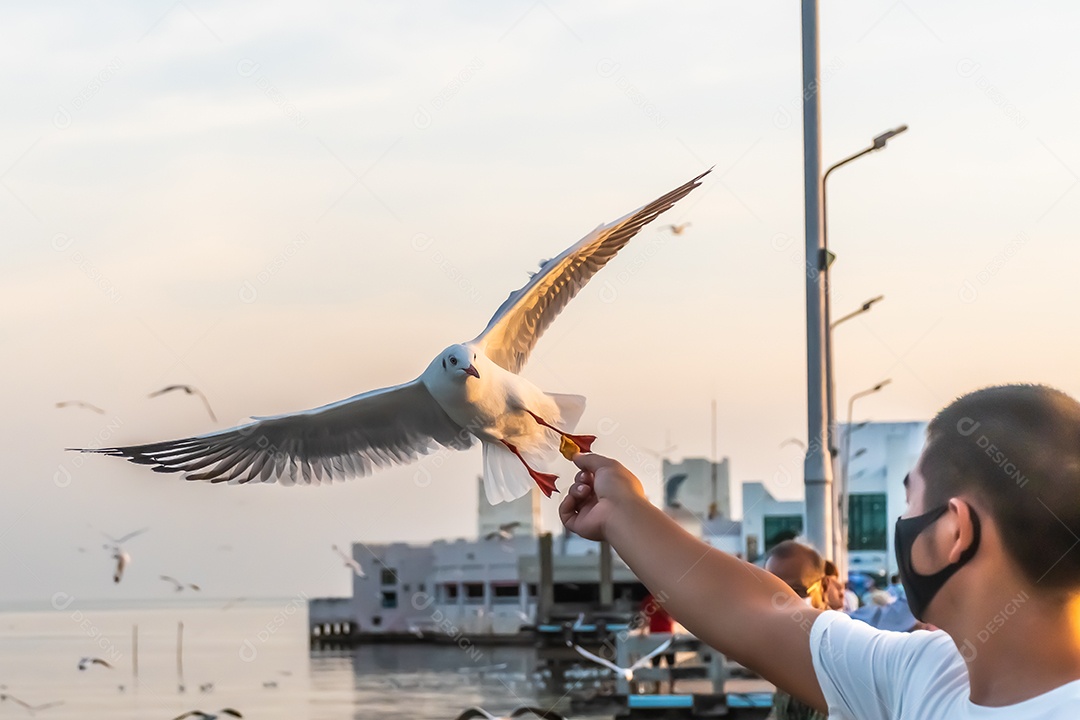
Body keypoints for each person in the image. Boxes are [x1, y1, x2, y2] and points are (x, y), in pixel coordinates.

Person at [560, 385, 1080, 718]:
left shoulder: (921, 681)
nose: (901, 522)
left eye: (909, 497)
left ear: (953, 532)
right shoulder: (926, 674)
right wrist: (622, 512)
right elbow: (758, 611)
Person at [764, 541, 830, 720]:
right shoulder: (789, 651)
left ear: (823, 587)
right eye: (772, 593)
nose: (782, 604)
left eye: (796, 591)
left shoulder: (837, 652)